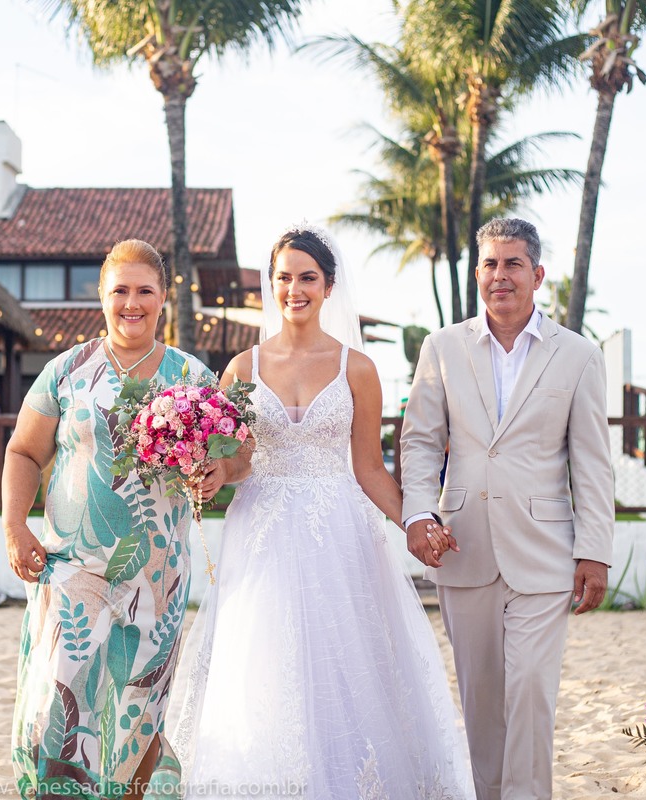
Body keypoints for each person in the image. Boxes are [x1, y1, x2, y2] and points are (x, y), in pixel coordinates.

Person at [168, 227, 473, 797]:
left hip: (339, 533)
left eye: (307, 277)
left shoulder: (357, 368)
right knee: (263, 665)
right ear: (271, 285)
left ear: (328, 286)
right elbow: (239, 461)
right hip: (261, 535)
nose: (294, 289)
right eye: (284, 277)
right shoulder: (240, 369)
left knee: (344, 666)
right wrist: (216, 473)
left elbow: (371, 469)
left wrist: (416, 520)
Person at [400, 217, 614, 800]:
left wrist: (594, 551)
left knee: (531, 696)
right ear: (477, 274)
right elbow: (420, 441)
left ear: (537, 275)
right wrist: (418, 515)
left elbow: (592, 463)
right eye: (490, 264)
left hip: (544, 556)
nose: (501, 276)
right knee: (482, 703)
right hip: (463, 547)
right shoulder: (442, 348)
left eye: (513, 264)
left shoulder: (578, 355)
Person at [4, 239, 210, 800]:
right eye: (120, 290)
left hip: (158, 576)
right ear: (102, 296)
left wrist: (218, 471)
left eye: (145, 291)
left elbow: (235, 453)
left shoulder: (192, 376)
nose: (132, 303)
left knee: (140, 708)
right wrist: (15, 525)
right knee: (62, 697)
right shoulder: (66, 370)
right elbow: (23, 451)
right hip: (73, 568)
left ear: (163, 298)